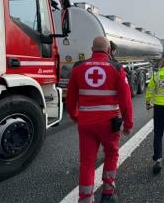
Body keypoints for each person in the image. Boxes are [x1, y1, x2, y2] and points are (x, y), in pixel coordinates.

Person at [66, 36, 133, 203]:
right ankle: (108, 193)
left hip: (86, 123)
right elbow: (126, 100)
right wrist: (128, 124)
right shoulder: (116, 68)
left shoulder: (78, 68)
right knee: (111, 155)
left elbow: (70, 100)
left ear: (92, 50)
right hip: (109, 124)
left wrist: (75, 117)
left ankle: (86, 199)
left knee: (87, 163)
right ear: (109, 51)